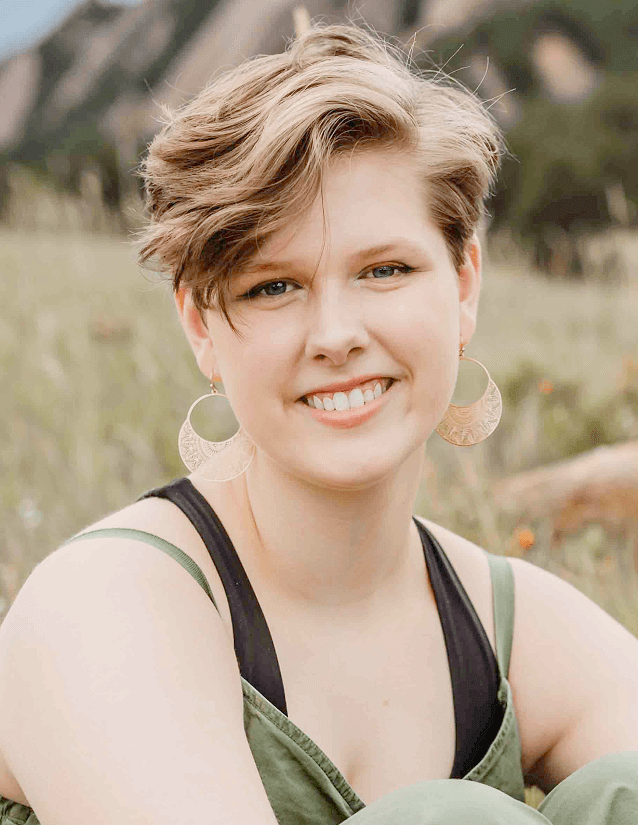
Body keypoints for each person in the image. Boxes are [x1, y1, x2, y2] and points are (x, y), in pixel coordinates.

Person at [0, 22, 637, 825]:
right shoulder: (108, 603)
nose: (335, 334)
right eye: (274, 286)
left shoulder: (509, 623)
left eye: (385, 269)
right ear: (200, 325)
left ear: (464, 284)